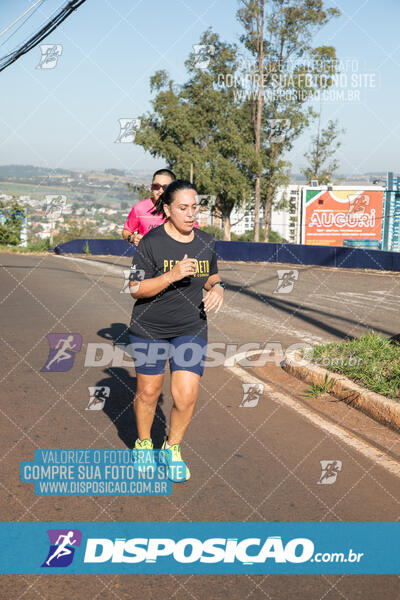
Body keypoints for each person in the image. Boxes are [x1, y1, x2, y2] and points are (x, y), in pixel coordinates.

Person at [128, 180, 224, 482]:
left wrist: (218, 286)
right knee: (149, 393)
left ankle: (172, 448)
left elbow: (210, 275)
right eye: (183, 208)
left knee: (185, 396)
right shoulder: (151, 243)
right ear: (167, 209)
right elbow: (135, 289)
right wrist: (171, 274)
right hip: (150, 327)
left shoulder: (205, 242)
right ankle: (144, 444)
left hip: (190, 326)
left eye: (194, 207)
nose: (190, 214)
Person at [122, 169, 176, 246]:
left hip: (173, 256)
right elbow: (126, 232)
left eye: (165, 187)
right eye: (156, 186)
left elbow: (192, 232)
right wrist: (133, 238)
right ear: (151, 187)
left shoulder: (181, 208)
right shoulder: (139, 208)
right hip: (146, 256)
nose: (160, 191)